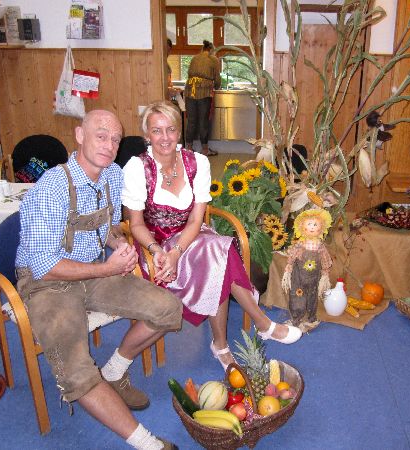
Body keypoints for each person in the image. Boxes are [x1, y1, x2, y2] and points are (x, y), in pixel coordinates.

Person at [15, 109, 183, 450]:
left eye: (115, 139)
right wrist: (108, 269)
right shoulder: (52, 187)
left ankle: (114, 370)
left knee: (168, 308)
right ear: (80, 135)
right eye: (101, 136)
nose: (109, 145)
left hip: (91, 269)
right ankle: (147, 443)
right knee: (76, 371)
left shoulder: (111, 175)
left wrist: (118, 244)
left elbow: (105, 227)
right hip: (46, 283)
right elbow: (45, 265)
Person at [122, 100, 302, 371]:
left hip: (190, 236)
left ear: (179, 131)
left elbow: (196, 219)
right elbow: (135, 225)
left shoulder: (197, 163)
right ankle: (255, 327)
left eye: (171, 129)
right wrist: (159, 251)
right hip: (153, 247)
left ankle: (230, 340)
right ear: (147, 134)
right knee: (218, 252)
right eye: (157, 131)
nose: (165, 137)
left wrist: (178, 251)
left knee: (214, 250)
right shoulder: (136, 169)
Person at [282, 208, 333, 331]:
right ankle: (296, 319)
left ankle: (311, 319)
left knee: (312, 296)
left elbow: (325, 259)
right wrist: (289, 267)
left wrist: (325, 273)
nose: (312, 227)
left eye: (315, 224)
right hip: (299, 276)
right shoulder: (300, 244)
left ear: (321, 228)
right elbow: (292, 256)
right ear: (302, 227)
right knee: (297, 295)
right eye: (309, 224)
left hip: (314, 277)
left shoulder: (320, 246)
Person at [184, 40, 221, 157]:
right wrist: (216, 86)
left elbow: (189, 73)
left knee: (191, 121)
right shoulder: (213, 59)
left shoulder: (194, 58)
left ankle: (188, 149)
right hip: (204, 90)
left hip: (189, 90)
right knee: (203, 121)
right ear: (211, 50)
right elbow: (217, 78)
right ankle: (205, 149)